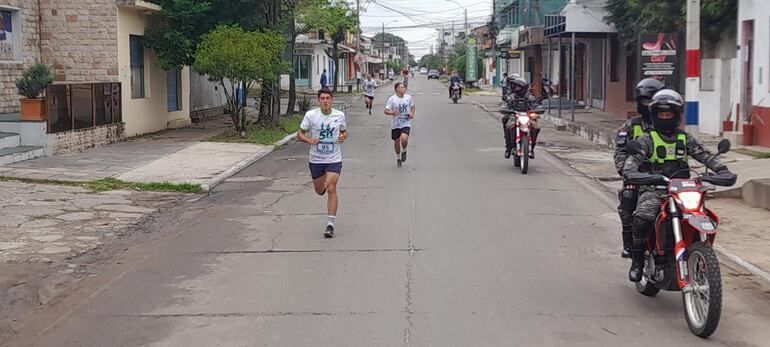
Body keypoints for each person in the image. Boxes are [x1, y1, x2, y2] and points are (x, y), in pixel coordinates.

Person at [623, 89, 733, 282]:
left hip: (684, 190)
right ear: (654, 115)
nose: (665, 117)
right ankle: (638, 261)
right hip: (655, 190)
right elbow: (631, 163)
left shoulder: (685, 138)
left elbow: (705, 155)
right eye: (661, 114)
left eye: (669, 114)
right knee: (642, 218)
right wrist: (635, 174)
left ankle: (701, 255)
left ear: (677, 115)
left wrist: (722, 170)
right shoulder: (647, 139)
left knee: (705, 217)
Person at [613, 78, 665, 258]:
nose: (649, 105)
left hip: (669, 177)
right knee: (628, 198)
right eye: (645, 101)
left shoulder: (669, 125)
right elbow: (620, 152)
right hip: (639, 176)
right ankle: (630, 244)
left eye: (652, 101)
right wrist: (627, 173)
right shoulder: (631, 126)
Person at [298, 88, 348, 238]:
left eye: (328, 98)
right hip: (316, 159)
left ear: (332, 100)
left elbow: (344, 132)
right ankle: (323, 186)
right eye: (322, 98)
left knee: (332, 187)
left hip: (334, 158)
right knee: (320, 190)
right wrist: (308, 140)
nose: (325, 101)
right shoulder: (311, 115)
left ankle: (330, 225)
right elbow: (300, 133)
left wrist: (342, 137)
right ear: (318, 100)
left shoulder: (339, 115)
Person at [502, 75, 540, 159]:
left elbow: (536, 105)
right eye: (515, 87)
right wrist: (505, 109)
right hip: (514, 115)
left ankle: (532, 147)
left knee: (536, 127)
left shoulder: (530, 97)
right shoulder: (511, 97)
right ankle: (509, 147)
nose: (515, 89)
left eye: (518, 87)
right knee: (507, 123)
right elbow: (505, 104)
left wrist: (538, 109)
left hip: (527, 116)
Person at [384, 82, 415, 167]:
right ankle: (398, 157)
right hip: (395, 124)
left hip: (406, 122)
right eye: (402, 87)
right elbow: (386, 110)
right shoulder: (392, 99)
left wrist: (412, 113)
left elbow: (413, 106)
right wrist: (393, 112)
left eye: (404, 87)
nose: (404, 89)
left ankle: (404, 150)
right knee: (396, 142)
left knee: (404, 139)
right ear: (397, 89)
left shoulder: (408, 97)